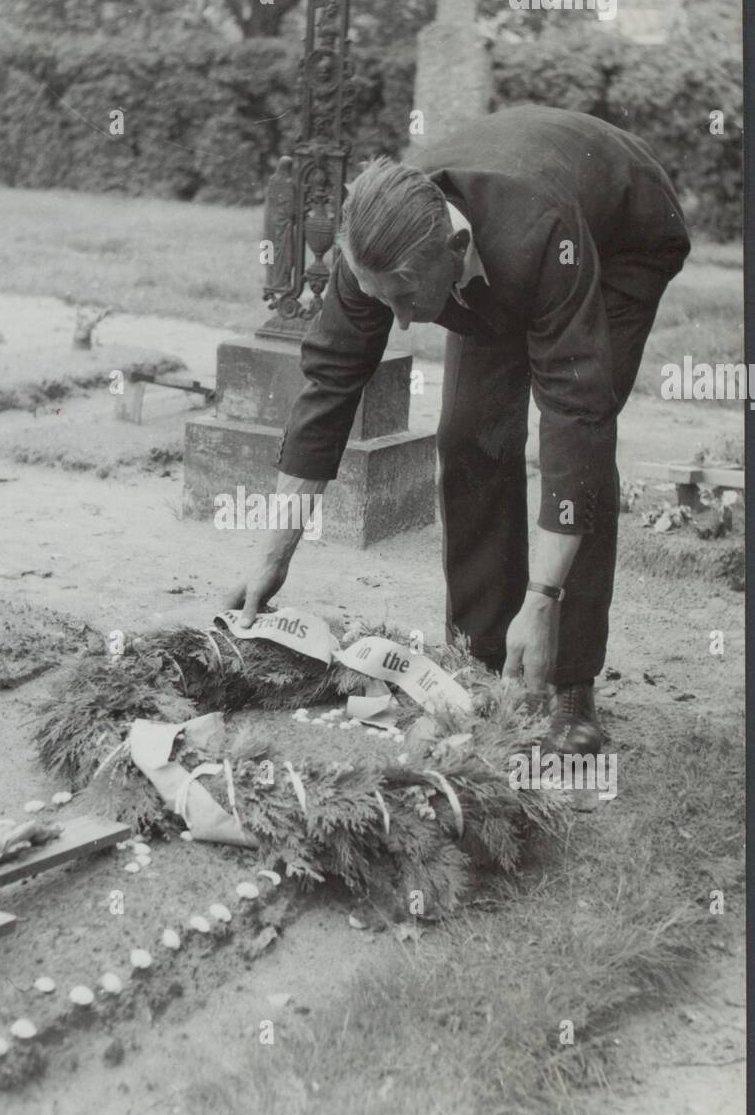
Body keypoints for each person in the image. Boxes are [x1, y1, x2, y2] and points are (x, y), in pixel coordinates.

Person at [227, 105, 690, 753]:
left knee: (581, 441)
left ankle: (569, 681)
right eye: (382, 298)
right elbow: (329, 387)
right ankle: (480, 658)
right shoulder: (371, 249)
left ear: (454, 251)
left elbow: (575, 421)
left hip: (623, 234)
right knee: (470, 436)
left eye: (406, 297)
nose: (401, 321)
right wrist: (271, 555)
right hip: (503, 240)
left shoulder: (537, 235)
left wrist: (542, 597)